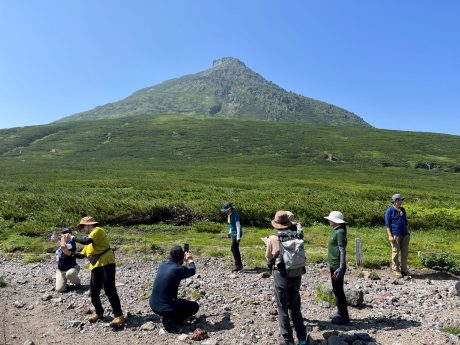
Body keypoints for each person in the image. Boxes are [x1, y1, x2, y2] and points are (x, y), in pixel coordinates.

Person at [64, 216, 124, 327]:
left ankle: (119, 315)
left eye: (83, 226)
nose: (82, 229)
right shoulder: (89, 239)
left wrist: (72, 237)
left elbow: (86, 241)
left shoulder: (97, 231)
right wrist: (69, 253)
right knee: (94, 291)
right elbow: (82, 255)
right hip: (96, 265)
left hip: (107, 263)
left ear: (88, 225)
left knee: (109, 289)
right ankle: (99, 312)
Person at [266, 211, 308, 345]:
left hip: (282, 276)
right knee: (295, 307)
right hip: (297, 274)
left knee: (282, 308)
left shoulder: (273, 238)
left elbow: (269, 258)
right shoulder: (297, 235)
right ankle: (302, 339)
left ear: (276, 224)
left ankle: (288, 340)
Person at [149, 245, 199, 332]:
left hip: (153, 304)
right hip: (166, 308)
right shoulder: (178, 269)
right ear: (182, 256)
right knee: (194, 306)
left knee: (176, 302)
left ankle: (170, 316)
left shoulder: (162, 265)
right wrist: (190, 259)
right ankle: (171, 319)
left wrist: (181, 260)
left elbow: (175, 268)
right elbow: (192, 270)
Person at [324, 210, 350, 325]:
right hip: (334, 264)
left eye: (330, 219)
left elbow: (342, 249)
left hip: (336, 265)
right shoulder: (337, 230)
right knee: (336, 290)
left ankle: (344, 317)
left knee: (338, 291)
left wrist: (341, 267)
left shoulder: (339, 232)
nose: (329, 221)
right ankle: (340, 312)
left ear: (335, 221)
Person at [384, 193, 410, 277]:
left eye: (401, 200)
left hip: (405, 234)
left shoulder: (403, 210)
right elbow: (387, 224)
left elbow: (406, 222)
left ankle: (404, 269)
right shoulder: (390, 210)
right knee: (395, 252)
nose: (401, 202)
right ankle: (395, 269)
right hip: (395, 234)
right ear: (395, 201)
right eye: (399, 200)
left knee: (405, 252)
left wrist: (408, 232)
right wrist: (390, 235)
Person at [53, 228, 81, 292]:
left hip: (72, 267)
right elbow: (58, 252)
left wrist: (60, 239)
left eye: (67, 233)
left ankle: (77, 283)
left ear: (70, 234)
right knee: (60, 289)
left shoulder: (72, 243)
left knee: (70, 274)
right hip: (61, 269)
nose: (65, 235)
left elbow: (64, 246)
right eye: (63, 233)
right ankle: (64, 284)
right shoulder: (60, 242)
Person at [221, 202, 243, 272]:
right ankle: (239, 265)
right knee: (234, 249)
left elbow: (238, 225)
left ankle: (238, 265)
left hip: (237, 233)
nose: (226, 211)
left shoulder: (235, 214)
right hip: (233, 233)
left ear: (230, 209)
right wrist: (230, 232)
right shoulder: (230, 215)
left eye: (227, 210)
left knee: (233, 249)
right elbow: (232, 225)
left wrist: (238, 237)